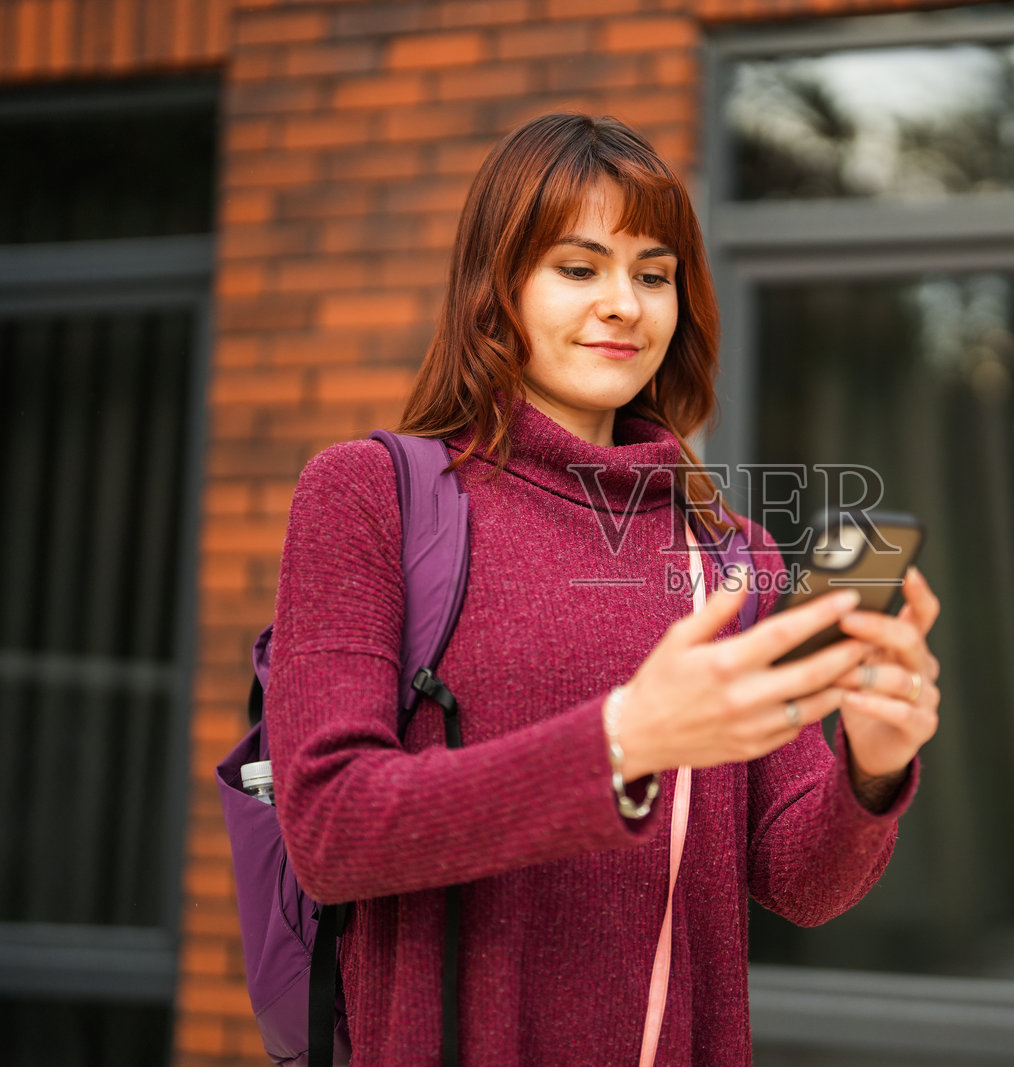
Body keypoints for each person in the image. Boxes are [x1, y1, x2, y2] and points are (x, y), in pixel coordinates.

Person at [265, 112, 942, 1066]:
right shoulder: (372, 496)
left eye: (653, 273)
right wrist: (625, 742)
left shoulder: (729, 551)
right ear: (496, 289)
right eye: (579, 268)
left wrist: (871, 766)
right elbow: (331, 826)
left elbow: (797, 879)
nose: (625, 303)